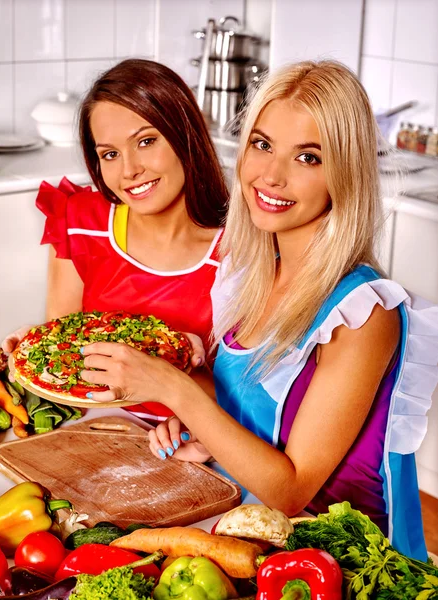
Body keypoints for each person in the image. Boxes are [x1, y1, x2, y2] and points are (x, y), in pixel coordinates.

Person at [66, 60, 438, 560]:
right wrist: (195, 410)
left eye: (308, 157)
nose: (271, 175)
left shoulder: (363, 314)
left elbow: (291, 489)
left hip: (337, 561)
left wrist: (174, 390)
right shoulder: (252, 273)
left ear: (345, 172)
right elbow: (249, 413)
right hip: (252, 532)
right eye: (262, 145)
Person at [2, 58, 228, 422]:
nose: (128, 171)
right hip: (99, 428)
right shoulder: (79, 221)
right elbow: (70, 361)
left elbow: (253, 403)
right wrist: (36, 345)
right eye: (109, 154)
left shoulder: (242, 249)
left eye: (146, 141)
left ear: (186, 134)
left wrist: (171, 362)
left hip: (199, 440)